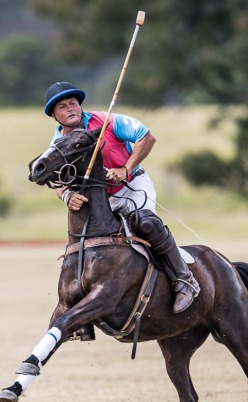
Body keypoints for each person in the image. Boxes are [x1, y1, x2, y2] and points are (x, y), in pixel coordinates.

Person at [43, 81, 200, 315]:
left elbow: (147, 137)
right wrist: (66, 195)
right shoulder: (58, 143)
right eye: (63, 107)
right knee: (83, 243)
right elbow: (56, 179)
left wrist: (126, 168)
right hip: (99, 200)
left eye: (73, 103)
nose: (70, 109)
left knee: (145, 222)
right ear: (54, 115)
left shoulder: (107, 121)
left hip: (132, 185)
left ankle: (184, 279)